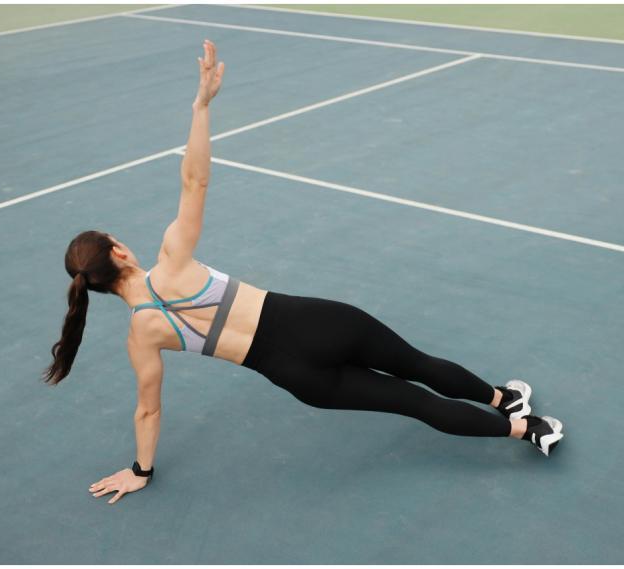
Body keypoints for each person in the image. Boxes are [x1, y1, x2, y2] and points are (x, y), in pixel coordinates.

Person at [45, 40, 564, 505]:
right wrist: (201, 107)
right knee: (420, 366)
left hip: (299, 377)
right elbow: (194, 181)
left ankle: (527, 428)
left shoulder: (141, 335)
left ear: (92, 288)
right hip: (318, 323)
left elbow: (148, 412)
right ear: (118, 250)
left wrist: (140, 470)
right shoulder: (171, 260)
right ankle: (502, 396)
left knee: (415, 404)